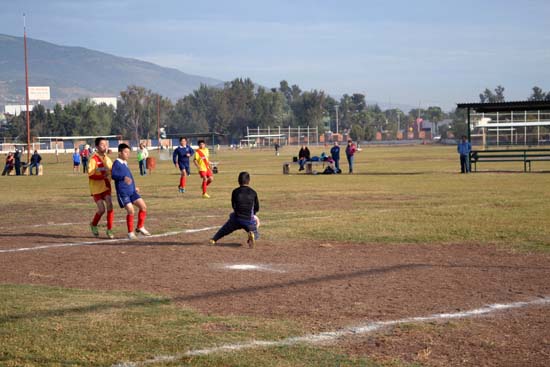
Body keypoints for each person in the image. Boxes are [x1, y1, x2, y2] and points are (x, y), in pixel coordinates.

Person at [209, 171, 260, 248]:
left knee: (225, 228)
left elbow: (233, 205)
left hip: (236, 219)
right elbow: (256, 208)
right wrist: (253, 215)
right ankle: (252, 236)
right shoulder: (253, 192)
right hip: (248, 220)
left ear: (238, 181)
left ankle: (214, 239)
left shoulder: (235, 192)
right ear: (249, 181)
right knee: (256, 224)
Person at [112, 143, 151, 240]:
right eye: (126, 152)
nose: (128, 154)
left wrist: (134, 187)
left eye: (129, 152)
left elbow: (130, 178)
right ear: (120, 153)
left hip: (132, 191)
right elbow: (113, 175)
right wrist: (123, 177)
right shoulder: (116, 163)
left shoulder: (125, 163)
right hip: (123, 192)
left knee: (143, 207)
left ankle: (140, 227)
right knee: (131, 210)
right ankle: (130, 233)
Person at [88, 137, 115, 239]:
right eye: (102, 145)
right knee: (102, 209)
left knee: (110, 205)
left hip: (106, 187)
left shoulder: (108, 159)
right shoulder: (93, 159)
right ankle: (93, 224)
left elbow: (113, 172)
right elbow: (90, 175)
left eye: (106, 144)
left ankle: (109, 229)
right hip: (96, 189)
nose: (105, 146)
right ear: (97, 147)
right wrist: (102, 176)